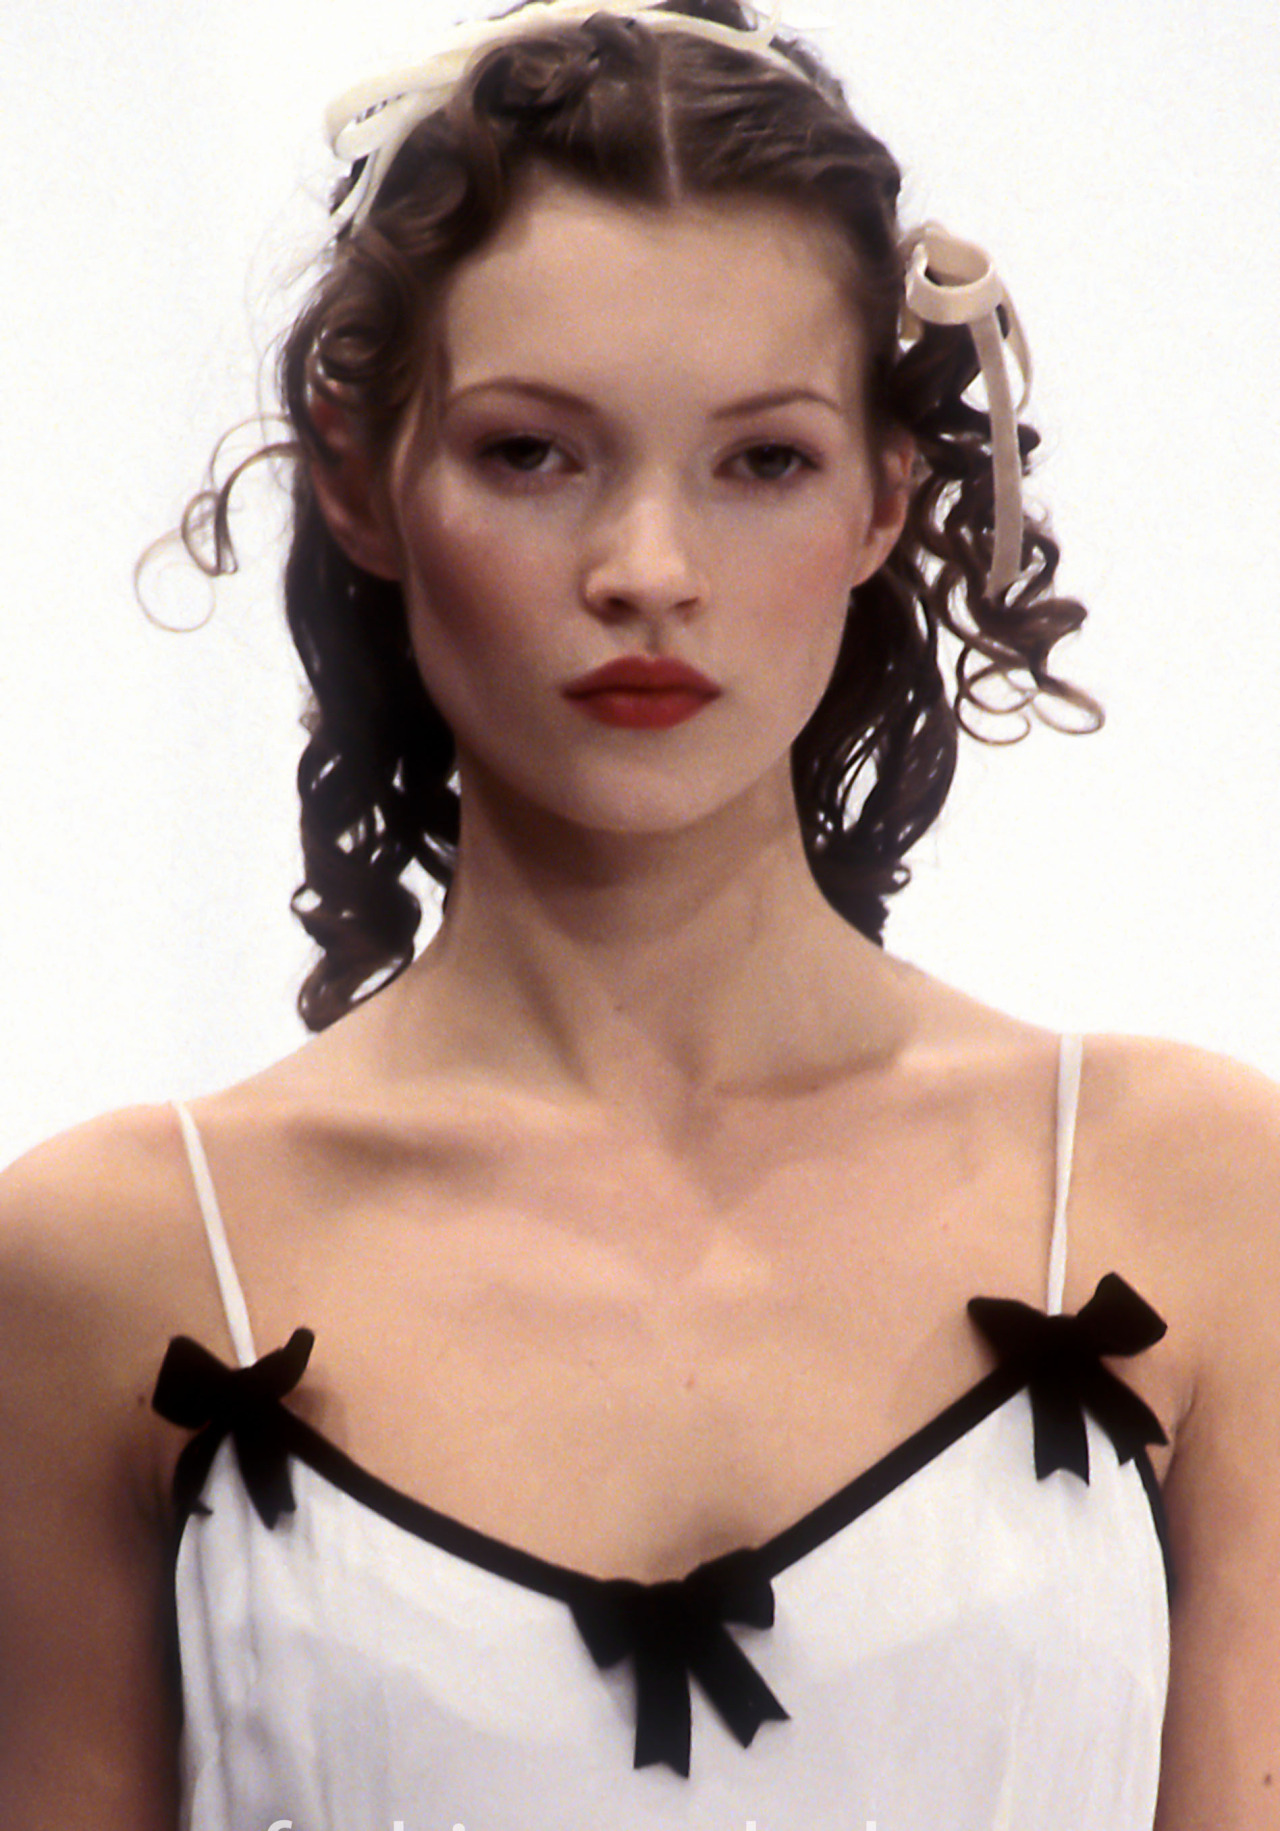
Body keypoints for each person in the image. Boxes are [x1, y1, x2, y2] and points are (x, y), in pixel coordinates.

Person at [2, 1, 1277, 1825]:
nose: (648, 571)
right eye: (534, 453)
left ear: (884, 501)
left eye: (763, 460)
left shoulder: (1202, 1200)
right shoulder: (106, 1265)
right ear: (360, 479)